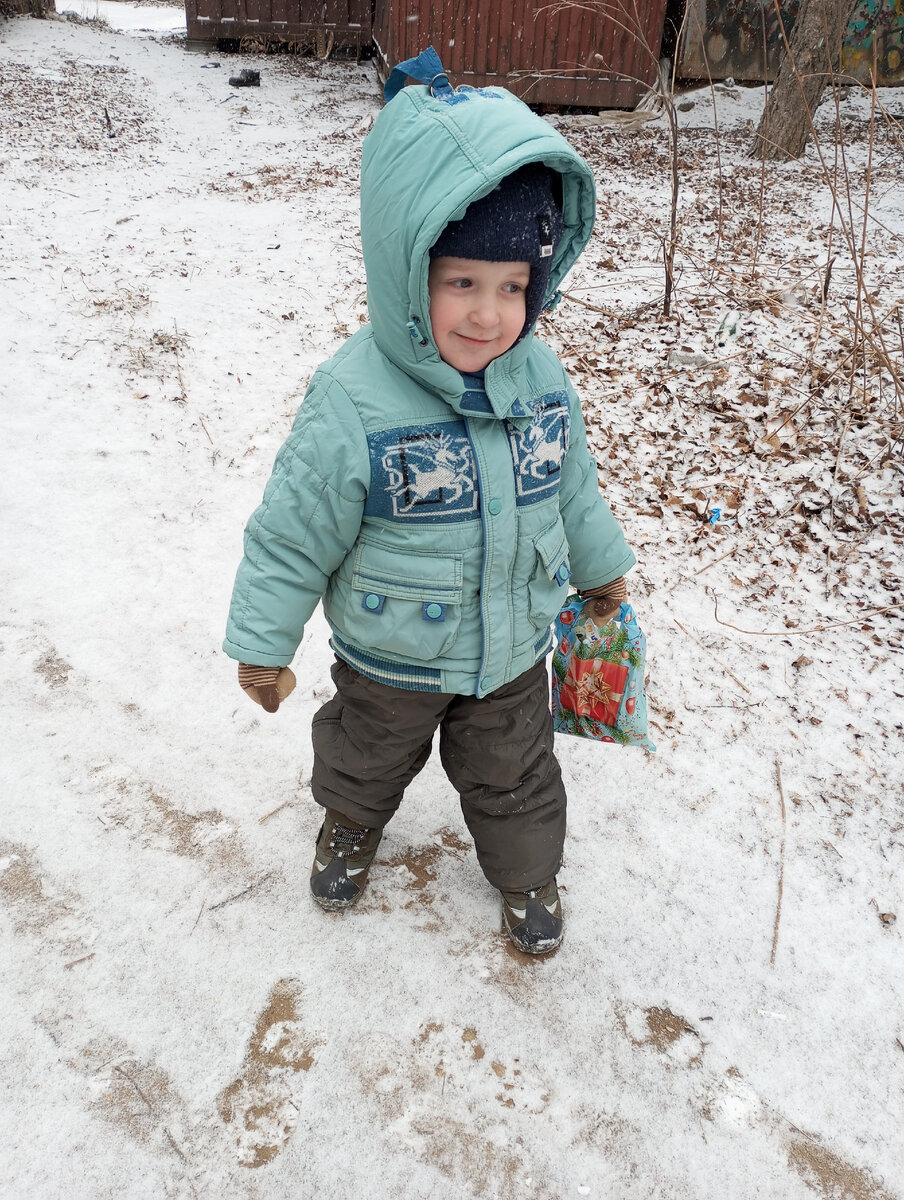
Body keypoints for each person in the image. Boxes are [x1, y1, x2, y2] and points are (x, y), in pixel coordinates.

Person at [223, 49, 636, 955]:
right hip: (389, 649)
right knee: (363, 757)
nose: (489, 315)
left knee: (517, 775)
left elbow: (572, 485)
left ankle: (528, 876)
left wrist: (602, 572)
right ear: (407, 273)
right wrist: (262, 643)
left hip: (510, 649)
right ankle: (350, 824)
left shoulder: (540, 380)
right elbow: (293, 534)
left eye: (513, 287)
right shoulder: (353, 398)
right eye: (462, 282)